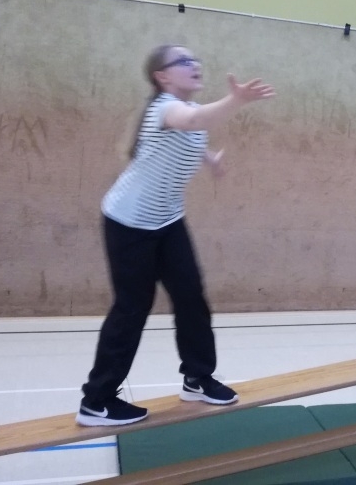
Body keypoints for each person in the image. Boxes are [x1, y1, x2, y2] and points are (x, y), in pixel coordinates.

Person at [76, 44, 275, 426]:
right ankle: (96, 401)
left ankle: (197, 378)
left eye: (194, 58)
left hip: (167, 221)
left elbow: (191, 133)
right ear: (162, 76)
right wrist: (236, 100)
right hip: (129, 222)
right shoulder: (165, 108)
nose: (194, 64)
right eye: (183, 61)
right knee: (132, 307)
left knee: (191, 296)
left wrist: (209, 159)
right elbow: (192, 121)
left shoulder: (184, 110)